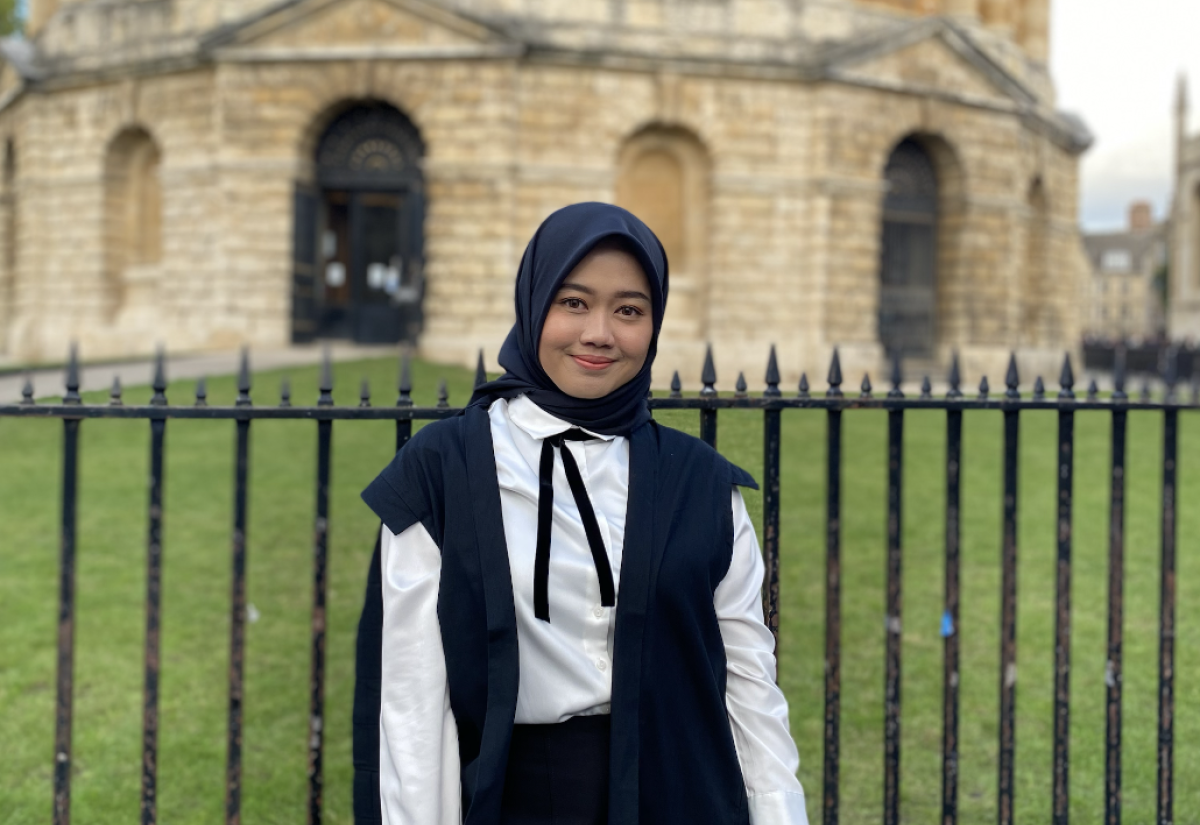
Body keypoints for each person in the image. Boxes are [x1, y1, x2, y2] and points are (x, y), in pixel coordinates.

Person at [353, 203, 808, 825]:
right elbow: (410, 694)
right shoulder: (444, 469)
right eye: (573, 302)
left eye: (628, 310)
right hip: (513, 795)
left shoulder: (702, 484)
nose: (599, 332)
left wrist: (780, 815)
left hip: (677, 788)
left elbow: (748, 682)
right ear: (534, 303)